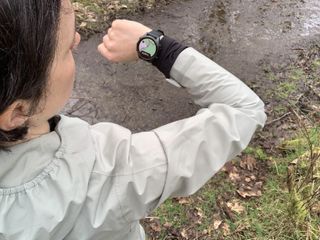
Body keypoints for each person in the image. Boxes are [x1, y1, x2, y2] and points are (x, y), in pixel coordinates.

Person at [0, 0, 266, 239]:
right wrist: (155, 46)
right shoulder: (113, 172)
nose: (79, 40)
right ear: (17, 112)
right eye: (68, 47)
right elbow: (244, 108)